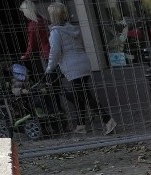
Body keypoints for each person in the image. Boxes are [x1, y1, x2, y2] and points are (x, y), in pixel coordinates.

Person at [45, 2, 117, 135]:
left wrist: (49, 69)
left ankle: (108, 121)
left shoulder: (55, 32)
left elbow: (55, 52)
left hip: (72, 66)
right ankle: (80, 125)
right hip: (83, 63)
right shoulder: (71, 28)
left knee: (85, 95)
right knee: (81, 95)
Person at [19, 1, 50, 77]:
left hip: (47, 53)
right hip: (54, 48)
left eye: (24, 12)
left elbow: (32, 43)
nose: (24, 14)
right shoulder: (43, 19)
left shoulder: (33, 25)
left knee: (51, 77)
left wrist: (26, 56)